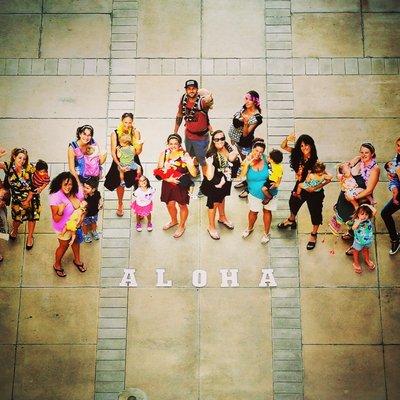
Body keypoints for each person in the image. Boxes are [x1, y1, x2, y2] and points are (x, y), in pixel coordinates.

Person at [278, 133, 331, 250]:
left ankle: (313, 234)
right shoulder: (297, 155)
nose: (304, 148)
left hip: (314, 192)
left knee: (315, 212)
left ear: (311, 146)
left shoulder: (316, 162)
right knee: (293, 203)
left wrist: (315, 188)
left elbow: (328, 179)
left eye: (306, 145)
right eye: (302, 146)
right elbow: (283, 146)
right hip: (301, 186)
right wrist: (287, 138)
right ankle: (291, 220)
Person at [333, 142, 380, 255]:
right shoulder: (359, 160)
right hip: (350, 192)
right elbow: (346, 168)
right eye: (362, 152)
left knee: (359, 222)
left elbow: (369, 190)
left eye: (367, 153)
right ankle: (350, 232)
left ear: (372, 154)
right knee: (349, 219)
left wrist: (353, 197)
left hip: (361, 197)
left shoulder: (375, 169)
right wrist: (343, 173)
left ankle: (355, 246)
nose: (364, 155)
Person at [173, 79, 213, 197]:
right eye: (189, 88)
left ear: (197, 89)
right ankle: (195, 174)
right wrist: (175, 132)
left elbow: (209, 102)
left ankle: (206, 185)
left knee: (202, 161)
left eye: (194, 88)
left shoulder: (202, 102)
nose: (191, 90)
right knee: (190, 156)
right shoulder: (183, 99)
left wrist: (209, 99)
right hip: (188, 135)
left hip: (201, 138)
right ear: (186, 90)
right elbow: (180, 114)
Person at [200, 130, 240, 240]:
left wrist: (235, 159)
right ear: (213, 141)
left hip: (226, 181)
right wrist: (219, 183)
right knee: (213, 204)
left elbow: (235, 164)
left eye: (222, 138)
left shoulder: (228, 147)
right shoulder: (211, 154)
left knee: (222, 198)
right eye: (217, 139)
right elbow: (207, 173)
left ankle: (222, 217)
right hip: (215, 184)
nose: (220, 141)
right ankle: (211, 227)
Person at [157, 134, 196, 238]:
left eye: (175, 144)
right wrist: (168, 179)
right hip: (168, 184)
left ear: (179, 145)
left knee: (182, 205)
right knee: (169, 204)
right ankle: (174, 221)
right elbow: (159, 171)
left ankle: (182, 225)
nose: (173, 146)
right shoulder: (164, 154)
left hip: (181, 185)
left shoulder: (185, 155)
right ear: (167, 144)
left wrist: (190, 164)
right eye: (171, 143)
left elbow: (194, 174)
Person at [104, 112, 143, 216]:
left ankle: (140, 206)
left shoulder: (136, 132)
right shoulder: (115, 134)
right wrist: (119, 165)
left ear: (132, 122)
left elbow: (138, 151)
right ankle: (120, 203)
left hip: (133, 160)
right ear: (121, 121)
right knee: (120, 185)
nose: (127, 124)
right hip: (119, 161)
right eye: (125, 122)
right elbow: (113, 152)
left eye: (129, 122)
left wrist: (140, 146)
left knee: (138, 183)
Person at [0, 148, 39, 250]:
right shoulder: (8, 166)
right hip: (17, 198)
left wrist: (27, 200)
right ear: (14, 157)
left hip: (31, 198)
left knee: (32, 217)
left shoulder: (30, 168)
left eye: (24, 159)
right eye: (20, 158)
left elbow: (36, 184)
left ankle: (30, 236)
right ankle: (15, 230)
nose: (22, 161)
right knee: (17, 218)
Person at [49, 172, 85, 277]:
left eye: (70, 184)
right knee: (63, 246)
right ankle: (57, 264)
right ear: (60, 184)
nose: (68, 187)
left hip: (76, 225)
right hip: (62, 227)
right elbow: (56, 219)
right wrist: (60, 211)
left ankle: (77, 260)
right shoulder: (55, 198)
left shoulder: (76, 191)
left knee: (76, 242)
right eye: (65, 184)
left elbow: (83, 205)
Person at [228, 91, 263, 198]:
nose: (246, 101)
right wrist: (233, 138)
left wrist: (246, 123)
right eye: (246, 98)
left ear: (255, 101)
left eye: (249, 99)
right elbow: (235, 123)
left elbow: (246, 134)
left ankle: (249, 188)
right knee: (245, 163)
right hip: (238, 142)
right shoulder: (244, 107)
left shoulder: (257, 117)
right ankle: (246, 181)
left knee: (249, 165)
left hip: (245, 144)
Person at [241, 138, 276, 244]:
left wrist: (275, 182)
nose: (258, 153)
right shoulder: (246, 161)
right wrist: (247, 164)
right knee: (253, 212)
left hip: (269, 193)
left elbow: (273, 173)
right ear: (252, 149)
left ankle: (266, 233)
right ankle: (250, 228)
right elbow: (242, 176)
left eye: (261, 152)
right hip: (254, 194)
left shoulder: (267, 160)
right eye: (256, 151)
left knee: (267, 211)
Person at [381, 136, 400, 255]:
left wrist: (398, 173)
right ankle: (395, 238)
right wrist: (392, 183)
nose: (399, 149)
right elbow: (393, 177)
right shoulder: (396, 159)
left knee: (385, 213)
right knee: (385, 213)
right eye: (398, 145)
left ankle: (395, 239)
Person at [351, 204, 376, 274]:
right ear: (358, 214)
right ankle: (356, 263)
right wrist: (359, 221)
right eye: (362, 214)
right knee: (356, 252)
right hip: (358, 242)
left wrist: (366, 205)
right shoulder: (356, 221)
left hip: (367, 241)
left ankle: (367, 260)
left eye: (366, 214)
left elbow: (375, 211)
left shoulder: (368, 219)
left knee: (366, 250)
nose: (364, 216)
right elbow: (353, 227)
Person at [82, 177, 102, 243]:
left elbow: (99, 198)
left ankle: (94, 231)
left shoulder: (97, 193)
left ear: (93, 189)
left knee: (94, 222)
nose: (85, 189)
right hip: (86, 214)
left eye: (87, 188)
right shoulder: (83, 196)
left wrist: (100, 203)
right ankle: (85, 234)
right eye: (84, 187)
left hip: (94, 212)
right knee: (84, 224)